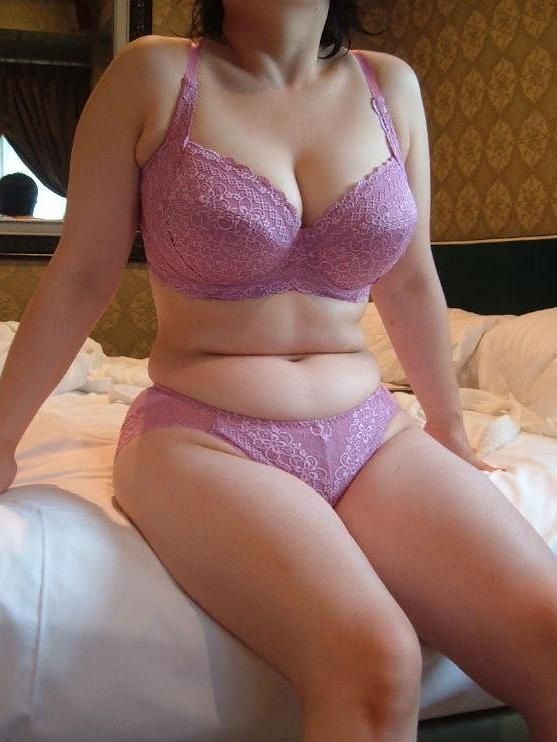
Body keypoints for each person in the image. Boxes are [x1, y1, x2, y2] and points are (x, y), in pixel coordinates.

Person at [1, 2, 556, 740]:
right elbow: (80, 276)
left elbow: (410, 278)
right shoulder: (155, 74)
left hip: (371, 434)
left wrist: (448, 428)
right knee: (376, 663)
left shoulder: (390, 86)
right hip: (203, 435)